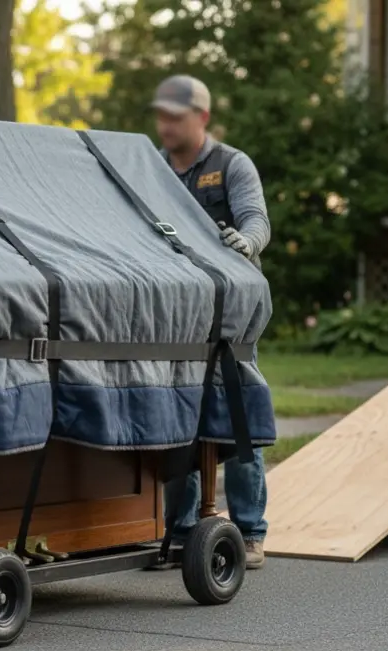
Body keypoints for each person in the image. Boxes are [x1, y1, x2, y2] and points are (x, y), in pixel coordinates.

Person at [151, 74, 271, 570]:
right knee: (180, 421)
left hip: (231, 314)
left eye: (175, 117)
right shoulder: (151, 168)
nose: (165, 125)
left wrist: (247, 242)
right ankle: (180, 532)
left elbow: (257, 220)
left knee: (238, 421)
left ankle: (250, 532)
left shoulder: (231, 165)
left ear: (201, 117)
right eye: (161, 116)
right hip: (177, 314)